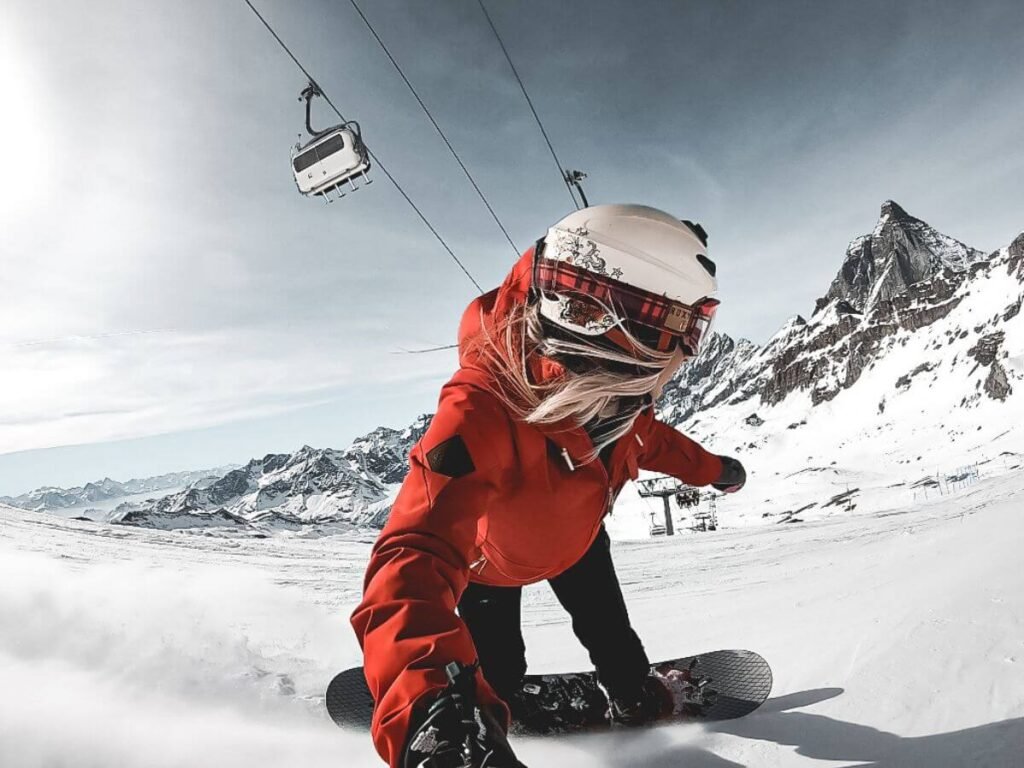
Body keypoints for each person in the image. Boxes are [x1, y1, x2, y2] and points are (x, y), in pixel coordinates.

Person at [351, 204, 747, 768]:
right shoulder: (481, 410)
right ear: (609, 321)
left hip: (579, 546)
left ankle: (632, 693)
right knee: (498, 661)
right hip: (492, 566)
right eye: (675, 328)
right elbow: (413, 553)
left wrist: (716, 470)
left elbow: (655, 444)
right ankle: (495, 696)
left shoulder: (615, 403)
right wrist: (431, 709)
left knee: (612, 635)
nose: (683, 353)